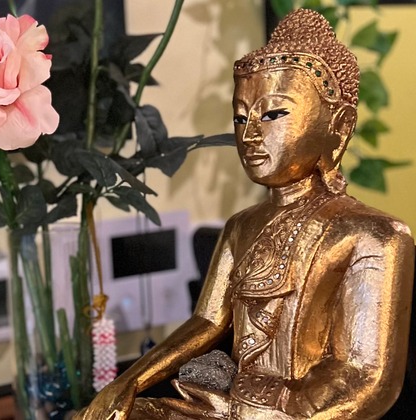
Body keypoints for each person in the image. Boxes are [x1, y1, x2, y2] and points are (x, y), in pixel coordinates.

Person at [75, 9, 414, 419]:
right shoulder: (241, 226)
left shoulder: (375, 236)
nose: (250, 134)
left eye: (272, 114)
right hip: (225, 406)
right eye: (240, 117)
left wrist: (258, 406)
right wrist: (127, 383)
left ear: (339, 127)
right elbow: (205, 321)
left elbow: (365, 380)